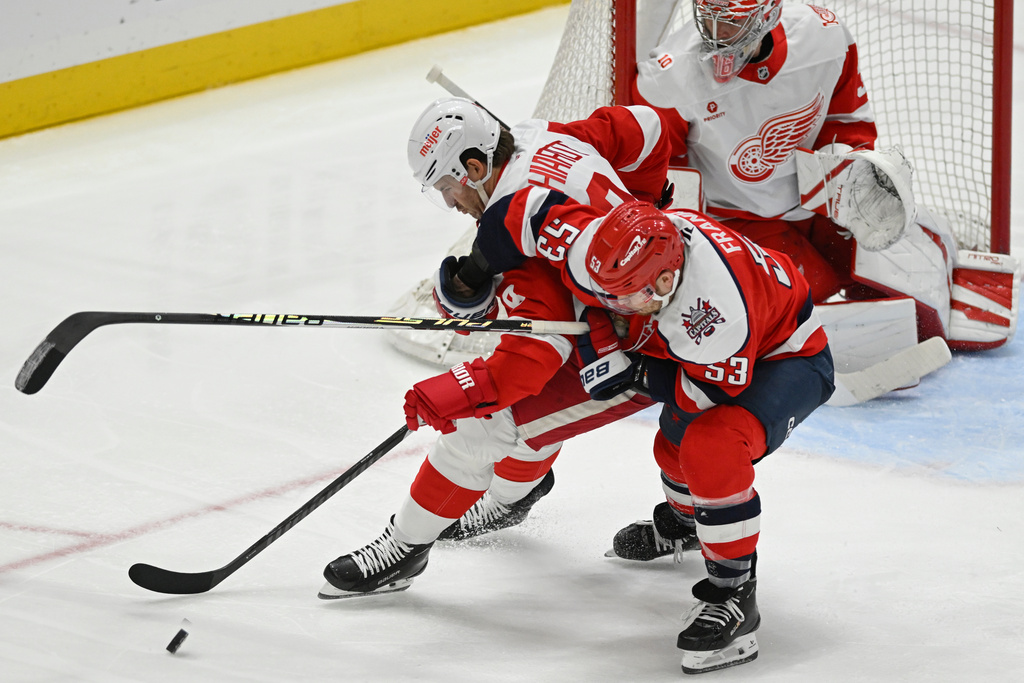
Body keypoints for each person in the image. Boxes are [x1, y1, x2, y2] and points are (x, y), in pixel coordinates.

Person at [319, 97, 671, 596]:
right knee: (534, 410)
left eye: (447, 186)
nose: (448, 202)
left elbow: (529, 365)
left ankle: (403, 551)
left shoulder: (513, 217)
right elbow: (644, 127)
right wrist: (643, 210)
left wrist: (451, 391)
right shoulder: (542, 135)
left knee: (481, 426)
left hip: (649, 347)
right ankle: (512, 499)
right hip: (650, 297)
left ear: (476, 167)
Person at [469, 196, 834, 673]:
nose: (617, 306)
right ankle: (687, 526)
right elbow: (529, 212)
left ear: (665, 280)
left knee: (709, 447)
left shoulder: (713, 316)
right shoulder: (624, 245)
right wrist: (476, 271)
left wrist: (632, 372)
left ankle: (735, 594)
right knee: (671, 447)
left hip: (788, 358)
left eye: (626, 297)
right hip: (737, 338)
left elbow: (699, 392)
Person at [630, 0, 1018, 352]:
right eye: (708, 18)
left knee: (898, 260)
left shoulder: (822, 36)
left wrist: (847, 170)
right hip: (742, 223)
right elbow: (660, 172)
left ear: (766, 14)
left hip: (816, 200)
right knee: (805, 303)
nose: (715, 35)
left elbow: (847, 120)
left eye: (730, 22)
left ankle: (940, 258)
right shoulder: (672, 78)